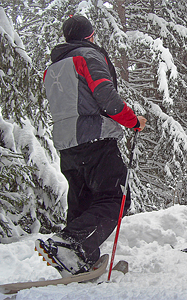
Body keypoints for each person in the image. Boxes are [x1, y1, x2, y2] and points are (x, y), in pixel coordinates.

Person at [36, 15, 147, 277]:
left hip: (66, 144)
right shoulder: (87, 56)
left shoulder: (52, 68)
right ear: (90, 35)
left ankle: (78, 260)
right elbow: (105, 95)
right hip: (95, 138)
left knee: (81, 202)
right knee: (116, 198)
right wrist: (133, 121)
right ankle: (70, 243)